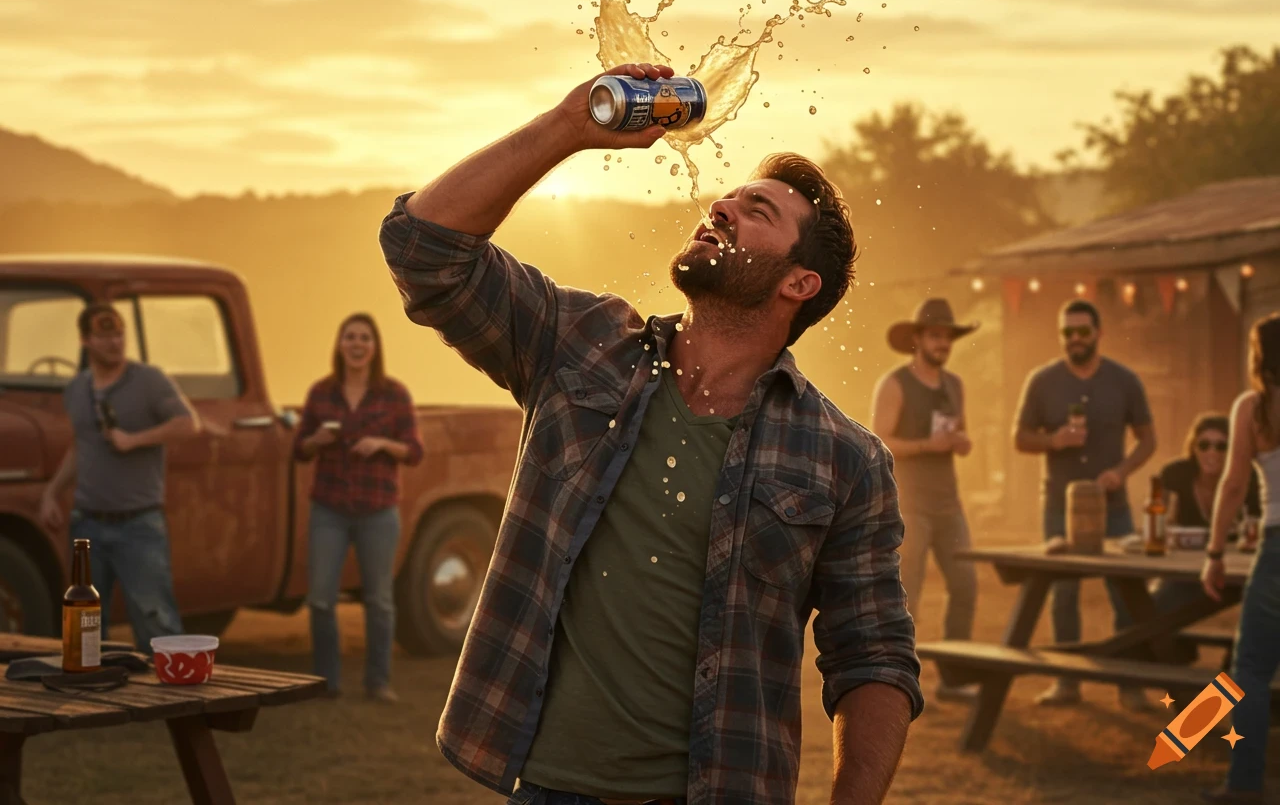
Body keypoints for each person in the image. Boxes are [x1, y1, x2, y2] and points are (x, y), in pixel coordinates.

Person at [381, 63, 922, 805]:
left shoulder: (844, 459)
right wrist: (571, 126)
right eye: (727, 194)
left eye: (756, 208)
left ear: (799, 284)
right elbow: (423, 248)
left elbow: (874, 658)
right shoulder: (583, 348)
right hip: (547, 790)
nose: (721, 206)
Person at [1013, 299, 1157, 709]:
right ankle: (1066, 682)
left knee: (1127, 594)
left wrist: (1122, 471)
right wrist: (1053, 441)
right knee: (1063, 594)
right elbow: (1020, 438)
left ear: (1098, 333)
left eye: (1082, 331)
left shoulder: (1124, 380)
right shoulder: (1042, 381)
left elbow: (1149, 439)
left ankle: (1130, 684)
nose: (1075, 339)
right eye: (1067, 332)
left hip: (1114, 504)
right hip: (1060, 503)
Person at [37, 303, 198, 655]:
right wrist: (51, 493)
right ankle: (91, 704)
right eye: (105, 335)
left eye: (119, 333)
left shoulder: (149, 380)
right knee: (86, 628)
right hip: (86, 525)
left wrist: (134, 440)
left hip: (138, 524)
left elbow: (187, 424)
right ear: (85, 340)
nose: (115, 342)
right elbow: (81, 447)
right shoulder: (76, 389)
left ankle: (175, 701)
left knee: (157, 622)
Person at [294, 313, 424, 702]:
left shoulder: (394, 394)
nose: (356, 343)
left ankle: (378, 682)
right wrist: (316, 439)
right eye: (349, 336)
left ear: (374, 346)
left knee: (379, 600)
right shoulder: (321, 393)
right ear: (339, 345)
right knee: (320, 599)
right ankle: (326, 682)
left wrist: (382, 445)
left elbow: (414, 451)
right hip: (329, 509)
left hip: (378, 510)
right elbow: (299, 450)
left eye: (364, 337)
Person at [871, 298, 979, 702]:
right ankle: (898, 682)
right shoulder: (895, 384)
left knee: (966, 585)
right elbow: (880, 442)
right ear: (917, 338)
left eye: (948, 337)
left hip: (949, 503)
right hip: (908, 505)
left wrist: (960, 442)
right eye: (935, 335)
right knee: (907, 595)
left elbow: (956, 435)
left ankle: (952, 679)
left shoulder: (955, 386)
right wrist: (925, 445)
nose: (943, 343)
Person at [1200, 313, 1280, 805]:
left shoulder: (1254, 408)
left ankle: (1246, 783)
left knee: (1250, 667)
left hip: (1277, 545)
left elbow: (1233, 485)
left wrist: (1214, 553)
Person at [1150, 413, 1262, 614]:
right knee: (1153, 606)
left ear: (1232, 450)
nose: (1212, 452)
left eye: (1221, 446)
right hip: (1184, 569)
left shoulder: (1249, 477)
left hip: (1237, 571)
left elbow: (1257, 529)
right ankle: (1175, 646)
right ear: (1194, 448)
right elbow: (1157, 519)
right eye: (1204, 445)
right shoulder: (1176, 473)